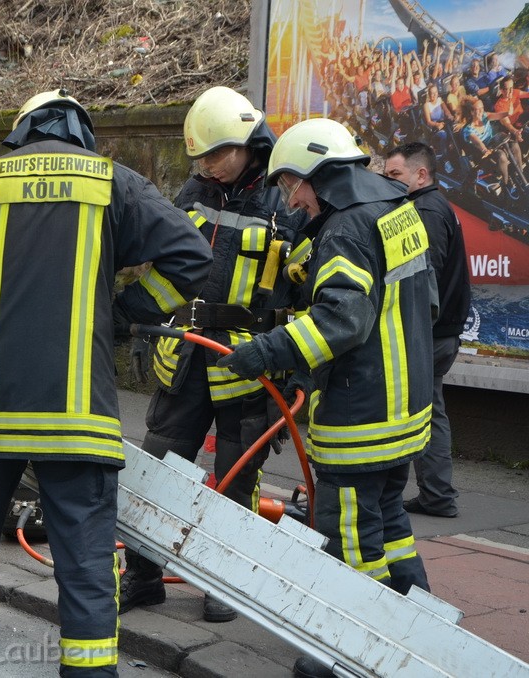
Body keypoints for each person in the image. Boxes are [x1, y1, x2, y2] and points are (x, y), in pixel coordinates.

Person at [0, 89, 213, 678]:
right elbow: (192, 256)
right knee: (84, 567)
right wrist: (125, 309)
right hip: (77, 418)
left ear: (23, 130)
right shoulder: (113, 183)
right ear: (82, 132)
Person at [216, 118, 434, 678]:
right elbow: (422, 305)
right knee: (390, 526)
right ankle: (424, 627)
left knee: (353, 540)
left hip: (362, 418)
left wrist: (266, 352)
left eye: (294, 184)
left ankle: (357, 655)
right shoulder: (398, 212)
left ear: (321, 175)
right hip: (406, 407)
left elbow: (341, 321)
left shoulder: (345, 230)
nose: (293, 199)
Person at [119, 86, 309, 622]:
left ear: (248, 143)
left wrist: (292, 370)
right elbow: (162, 268)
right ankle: (143, 574)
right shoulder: (196, 190)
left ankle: (225, 583)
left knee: (237, 477)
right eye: (198, 157)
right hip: (184, 359)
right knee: (157, 465)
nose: (205, 166)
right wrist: (140, 327)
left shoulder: (286, 202)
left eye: (214, 154)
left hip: (249, 366)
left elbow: (302, 294)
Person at [384, 142, 472, 518]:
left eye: (395, 176)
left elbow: (425, 279)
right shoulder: (433, 207)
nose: (388, 183)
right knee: (429, 412)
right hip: (439, 334)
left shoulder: (426, 213)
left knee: (423, 415)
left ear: (421, 175)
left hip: (430, 335)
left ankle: (435, 495)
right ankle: (435, 493)